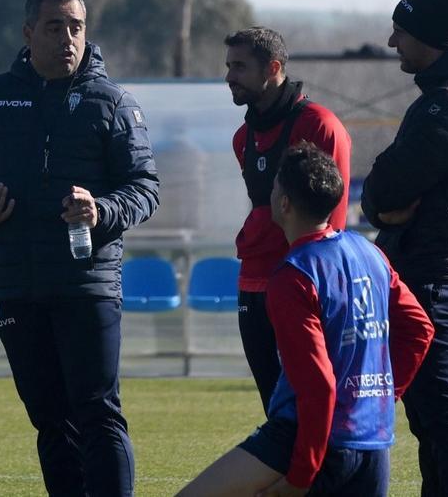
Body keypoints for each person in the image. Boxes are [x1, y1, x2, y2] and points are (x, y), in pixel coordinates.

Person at [0, 0, 159, 497]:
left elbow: (145, 187)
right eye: (55, 26)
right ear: (28, 32)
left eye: (76, 26)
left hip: (88, 285)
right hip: (16, 285)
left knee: (98, 414)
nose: (67, 37)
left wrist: (101, 210)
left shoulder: (113, 102)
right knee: (50, 421)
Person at [179, 143, 433, 497]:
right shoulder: (369, 252)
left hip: (308, 438)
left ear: (283, 202)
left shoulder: (294, 276)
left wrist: (300, 477)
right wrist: (381, 396)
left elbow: (318, 386)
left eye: (275, 186)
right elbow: (420, 329)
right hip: (372, 441)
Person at [359, 0, 448, 496]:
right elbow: (385, 196)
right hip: (430, 273)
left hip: (434, 277)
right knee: (429, 417)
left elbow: (385, 189)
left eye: (400, 30)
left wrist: (376, 199)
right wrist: (380, 201)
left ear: (430, 36)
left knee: (441, 414)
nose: (393, 41)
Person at [224, 26, 353, 413]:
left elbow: (335, 218)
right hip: (253, 282)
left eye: (240, 67)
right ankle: (293, 473)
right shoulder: (242, 138)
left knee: (313, 402)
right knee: (276, 408)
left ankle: (322, 472)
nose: (229, 76)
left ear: (274, 67)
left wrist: (318, 285)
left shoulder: (319, 126)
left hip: (302, 285)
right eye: (228, 66)